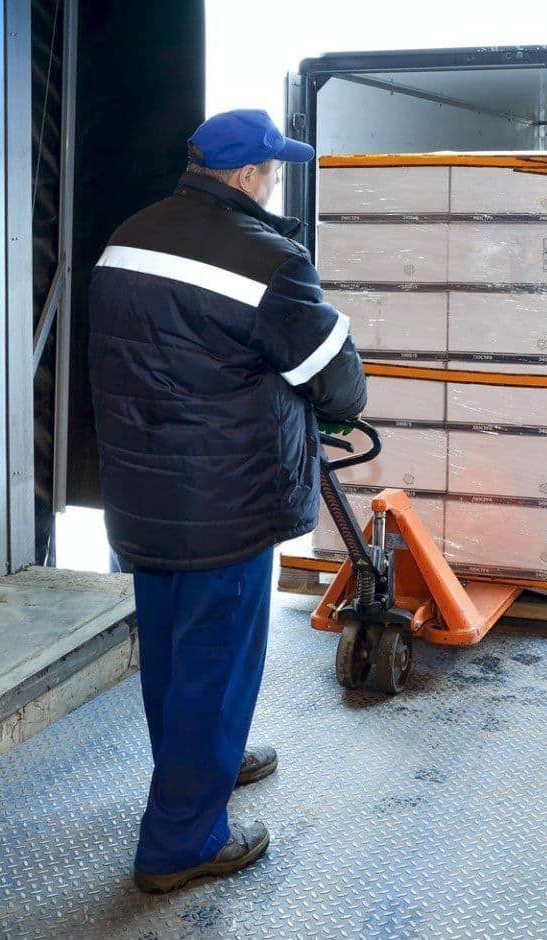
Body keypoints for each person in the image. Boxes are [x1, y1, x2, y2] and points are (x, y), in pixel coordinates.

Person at [87, 109, 366, 893]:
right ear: (248, 177)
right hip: (226, 501)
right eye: (272, 169)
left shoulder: (128, 234)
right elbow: (336, 381)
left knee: (173, 654)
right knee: (219, 662)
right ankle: (182, 841)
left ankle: (196, 765)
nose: (275, 181)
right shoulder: (266, 259)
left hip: (143, 492)